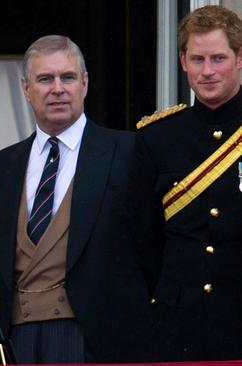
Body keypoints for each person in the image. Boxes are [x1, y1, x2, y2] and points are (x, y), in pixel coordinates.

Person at [0, 35, 137, 363]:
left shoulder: (127, 153)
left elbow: (147, 249)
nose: (57, 88)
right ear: (26, 89)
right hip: (16, 338)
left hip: (93, 339)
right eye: (44, 79)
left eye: (67, 77)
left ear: (84, 83)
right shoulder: (0, 166)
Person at [129, 5, 242, 361]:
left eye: (218, 58)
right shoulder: (157, 138)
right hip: (178, 324)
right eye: (197, 59)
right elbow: (142, 238)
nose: (207, 71)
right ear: (182, 62)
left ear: (240, 59)